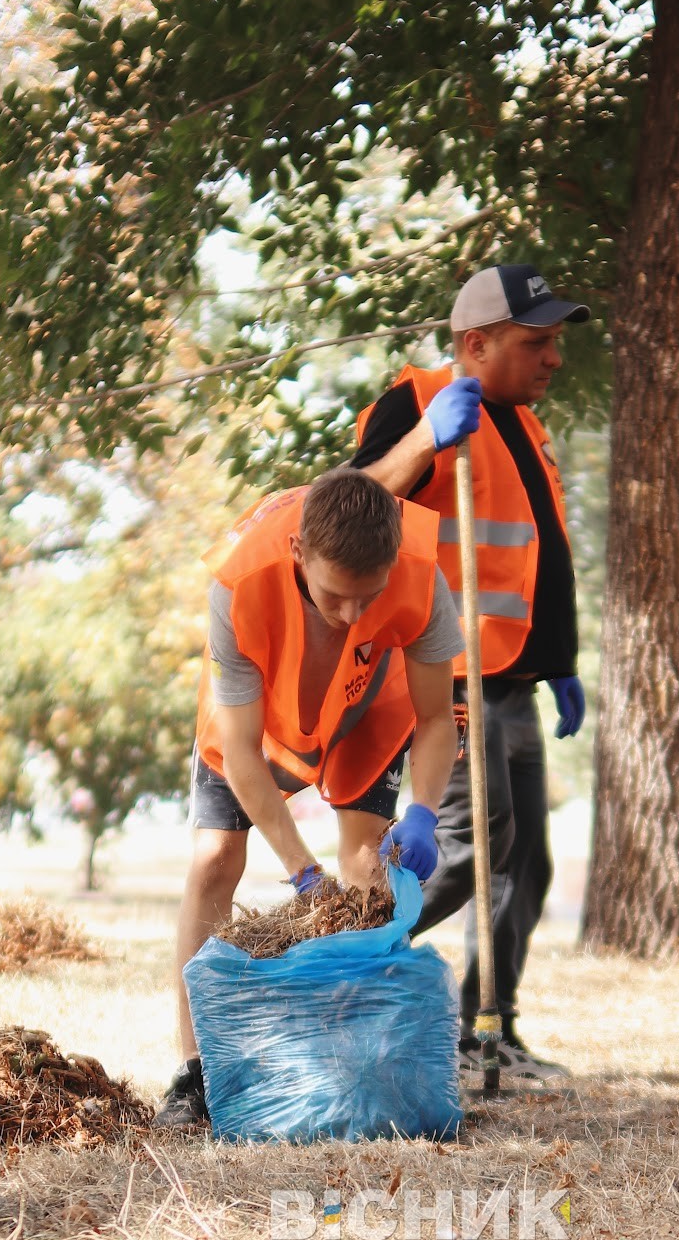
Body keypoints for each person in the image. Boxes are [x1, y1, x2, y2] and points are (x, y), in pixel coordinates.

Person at [155, 468, 461, 1129]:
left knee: (366, 870)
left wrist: (424, 813)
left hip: (370, 707)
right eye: (335, 596)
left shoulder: (421, 574)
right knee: (213, 858)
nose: (352, 614)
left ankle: (352, 1059)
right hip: (262, 720)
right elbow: (240, 751)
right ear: (298, 552)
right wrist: (301, 872)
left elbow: (437, 718)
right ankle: (195, 1070)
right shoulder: (238, 584)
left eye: (368, 597)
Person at [354, 262, 590, 1084]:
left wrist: (560, 661)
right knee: (469, 850)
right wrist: (424, 441)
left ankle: (487, 1031)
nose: (554, 358)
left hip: (513, 679)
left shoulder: (527, 428)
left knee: (526, 863)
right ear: (475, 343)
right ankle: (340, 962)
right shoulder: (416, 403)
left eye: (556, 341)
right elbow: (348, 512)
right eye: (537, 342)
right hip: (442, 678)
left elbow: (537, 556)